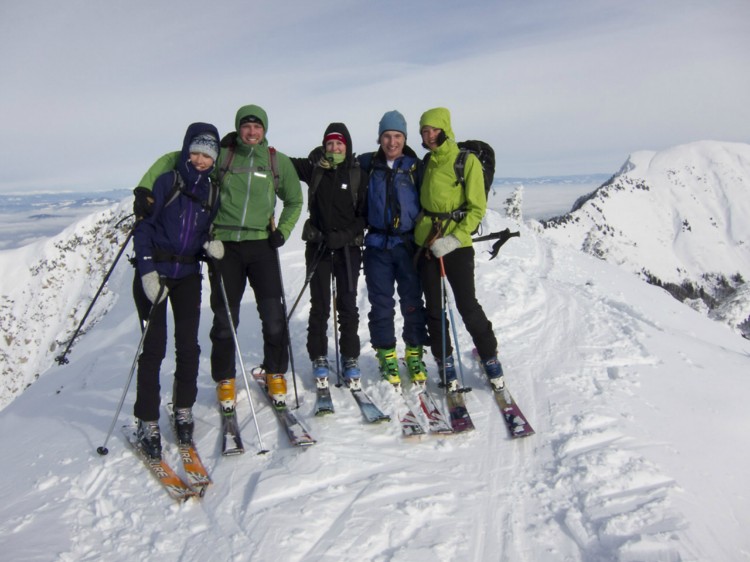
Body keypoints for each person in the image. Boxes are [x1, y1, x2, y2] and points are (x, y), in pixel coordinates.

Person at [135, 105, 303, 411]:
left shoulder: (276, 161)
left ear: (265, 130)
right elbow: (177, 158)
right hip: (224, 248)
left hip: (262, 245)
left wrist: (284, 230)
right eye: (246, 126)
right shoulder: (223, 155)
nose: (251, 132)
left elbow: (294, 200)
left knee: (273, 316)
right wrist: (145, 187)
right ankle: (225, 377)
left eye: (257, 126)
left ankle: (276, 371)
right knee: (226, 317)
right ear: (238, 128)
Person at [132, 122, 223, 459]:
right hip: (154, 272)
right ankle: (147, 418)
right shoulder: (167, 182)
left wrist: (209, 245)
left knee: (188, 346)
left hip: (187, 275)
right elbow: (143, 229)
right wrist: (146, 271)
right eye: (196, 152)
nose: (200, 160)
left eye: (207, 155)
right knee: (153, 348)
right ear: (186, 151)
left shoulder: (211, 192)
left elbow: (203, 230)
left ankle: (183, 407)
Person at [414, 107, 505, 392]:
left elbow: (477, 208)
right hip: (427, 244)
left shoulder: (465, 161)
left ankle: (489, 356)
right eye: (424, 131)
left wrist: (453, 239)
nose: (429, 135)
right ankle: (444, 360)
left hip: (457, 245)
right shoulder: (427, 162)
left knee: (467, 305)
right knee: (434, 308)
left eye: (433, 129)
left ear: (445, 129)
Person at [291, 123, 368, 390]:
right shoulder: (315, 168)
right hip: (319, 247)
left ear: (347, 146)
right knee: (320, 305)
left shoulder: (357, 174)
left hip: (348, 249)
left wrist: (344, 235)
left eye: (339, 144)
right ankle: (319, 355)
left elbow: (364, 217)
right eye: (330, 144)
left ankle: (350, 357)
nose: (334, 148)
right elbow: (280, 162)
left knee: (347, 304)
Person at [357, 110, 429, 387]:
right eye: (387, 136)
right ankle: (386, 354)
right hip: (377, 245)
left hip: (408, 245)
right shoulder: (367, 165)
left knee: (412, 301)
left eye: (397, 135)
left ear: (405, 138)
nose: (392, 141)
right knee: (381, 303)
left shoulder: (415, 167)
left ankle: (414, 353)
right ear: (379, 138)